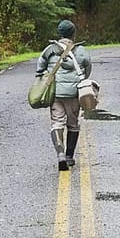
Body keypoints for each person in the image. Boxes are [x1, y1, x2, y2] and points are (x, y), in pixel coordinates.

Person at [35, 19, 91, 170]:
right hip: (73, 94)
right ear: (73, 33)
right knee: (73, 123)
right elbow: (88, 68)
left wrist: (43, 75)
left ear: (59, 33)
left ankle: (60, 154)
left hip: (56, 93)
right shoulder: (81, 51)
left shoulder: (50, 49)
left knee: (56, 122)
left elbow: (40, 67)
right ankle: (69, 156)